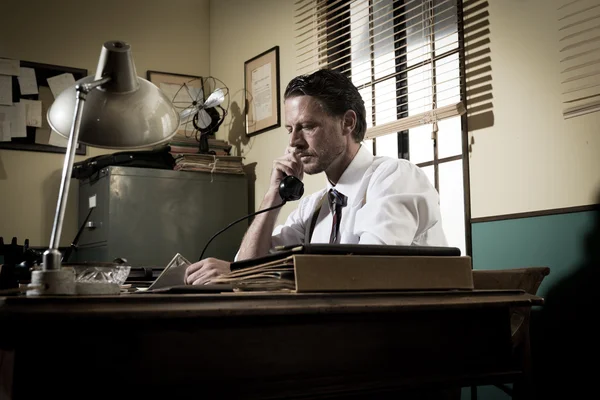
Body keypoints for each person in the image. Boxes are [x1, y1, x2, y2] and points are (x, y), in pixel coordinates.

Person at [185, 68, 447, 285]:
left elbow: (367, 272)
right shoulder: (314, 206)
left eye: (307, 126)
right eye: (290, 129)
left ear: (347, 123)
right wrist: (272, 195)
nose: (293, 142)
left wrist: (247, 274)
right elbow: (248, 270)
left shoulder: (394, 177)